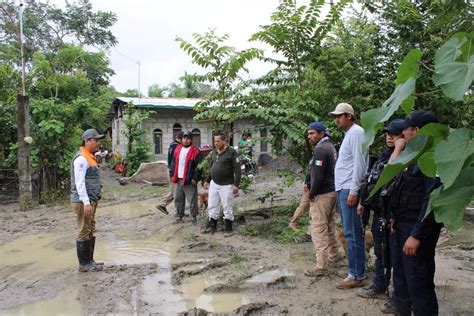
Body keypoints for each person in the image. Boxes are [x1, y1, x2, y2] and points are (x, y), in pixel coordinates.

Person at [387, 110, 442, 316]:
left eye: (406, 130)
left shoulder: (434, 158)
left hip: (416, 230)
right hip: (401, 226)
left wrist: (417, 234)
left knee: (419, 283)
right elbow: (399, 186)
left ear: (417, 131)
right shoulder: (413, 156)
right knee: (401, 280)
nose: (403, 134)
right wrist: (393, 216)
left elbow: (433, 201)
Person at [355, 119, 407, 312]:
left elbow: (390, 175)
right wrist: (363, 202)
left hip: (395, 215)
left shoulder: (405, 156)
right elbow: (372, 180)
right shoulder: (384, 155)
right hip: (380, 212)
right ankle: (379, 285)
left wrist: (398, 150)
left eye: (394, 135)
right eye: (388, 134)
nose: (390, 138)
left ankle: (397, 296)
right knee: (381, 252)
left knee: (395, 256)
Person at [330, 102, 368, 289]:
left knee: (352, 233)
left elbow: (360, 164)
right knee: (352, 232)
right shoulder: (349, 135)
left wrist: (354, 191)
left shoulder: (357, 133)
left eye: (340, 116)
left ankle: (356, 274)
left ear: (349, 116)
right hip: (343, 188)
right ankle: (358, 269)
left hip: (348, 189)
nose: (337, 119)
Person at [303, 121, 339, 277]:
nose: (309, 136)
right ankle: (333, 257)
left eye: (312, 133)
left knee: (318, 229)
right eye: (308, 133)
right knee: (330, 226)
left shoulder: (320, 150)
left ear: (321, 134)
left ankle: (321, 266)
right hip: (332, 192)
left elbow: (318, 176)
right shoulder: (330, 147)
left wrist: (311, 193)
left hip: (322, 194)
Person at [71, 128, 105, 272]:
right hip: (83, 201)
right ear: (87, 141)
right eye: (95, 140)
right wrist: (86, 202)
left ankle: (90, 261)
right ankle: (84, 264)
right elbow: (79, 183)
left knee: (90, 228)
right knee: (84, 230)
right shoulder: (81, 159)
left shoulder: (89, 156)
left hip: (90, 200)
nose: (98, 142)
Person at [203, 131, 241, 237]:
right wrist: (207, 180)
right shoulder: (214, 152)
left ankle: (228, 228)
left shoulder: (232, 152)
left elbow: (237, 170)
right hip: (214, 183)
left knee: (226, 206)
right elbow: (212, 167)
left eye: (218, 141)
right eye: (215, 141)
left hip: (227, 184)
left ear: (224, 141)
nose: (216, 143)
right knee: (212, 204)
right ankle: (212, 226)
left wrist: (236, 184)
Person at [170, 131, 203, 224]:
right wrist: (172, 175)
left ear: (191, 140)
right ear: (182, 139)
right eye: (184, 138)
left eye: (188, 138)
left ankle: (194, 218)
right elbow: (173, 163)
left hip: (189, 180)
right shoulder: (177, 149)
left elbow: (199, 167)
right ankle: (179, 216)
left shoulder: (195, 151)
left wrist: (195, 178)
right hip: (178, 178)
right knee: (178, 199)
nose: (186, 140)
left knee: (192, 199)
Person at [156, 131, 184, 215]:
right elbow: (174, 161)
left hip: (171, 170)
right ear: (181, 139)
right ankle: (163, 205)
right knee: (175, 192)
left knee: (175, 191)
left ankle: (178, 211)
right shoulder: (177, 147)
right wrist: (173, 174)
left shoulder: (172, 145)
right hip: (173, 171)